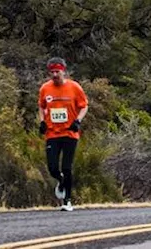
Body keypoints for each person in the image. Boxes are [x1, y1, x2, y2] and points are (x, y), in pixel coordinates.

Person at [39, 57, 89, 212]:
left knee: (67, 167)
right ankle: (61, 181)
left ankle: (67, 201)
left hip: (70, 133)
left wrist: (78, 121)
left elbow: (84, 106)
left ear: (63, 71)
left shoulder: (74, 87)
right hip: (52, 134)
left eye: (57, 71)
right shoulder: (45, 89)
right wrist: (42, 121)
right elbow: (42, 106)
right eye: (52, 72)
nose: (55, 75)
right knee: (53, 168)